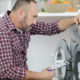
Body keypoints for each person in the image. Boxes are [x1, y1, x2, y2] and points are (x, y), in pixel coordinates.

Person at [0, 0, 80, 80]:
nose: (35, 22)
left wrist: (74, 20)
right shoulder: (2, 30)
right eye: (33, 16)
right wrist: (40, 76)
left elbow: (51, 27)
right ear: (21, 13)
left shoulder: (24, 24)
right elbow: (6, 70)